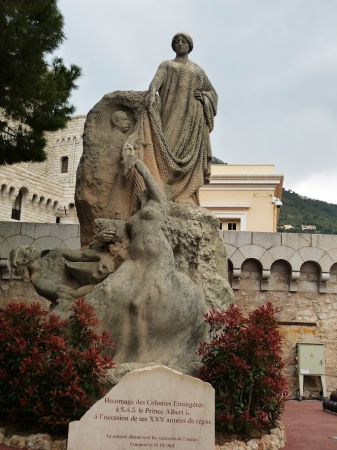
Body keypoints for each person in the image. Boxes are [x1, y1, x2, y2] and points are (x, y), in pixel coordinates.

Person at [84, 146, 206, 367]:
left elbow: (151, 183)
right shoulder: (132, 219)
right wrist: (104, 236)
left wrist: (136, 163)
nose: (140, 192)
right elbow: (117, 235)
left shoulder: (158, 206)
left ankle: (141, 352)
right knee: (109, 289)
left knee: (138, 302)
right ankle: (118, 349)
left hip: (159, 260)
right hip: (136, 262)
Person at [144, 32, 218, 204]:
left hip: (192, 118)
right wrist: (151, 92)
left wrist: (204, 97)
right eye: (176, 41)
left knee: (188, 151)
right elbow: (156, 82)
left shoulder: (197, 70)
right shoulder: (167, 65)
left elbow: (212, 92)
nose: (180, 44)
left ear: (189, 46)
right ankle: (162, 188)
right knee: (165, 146)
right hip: (170, 114)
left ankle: (185, 194)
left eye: (183, 41)